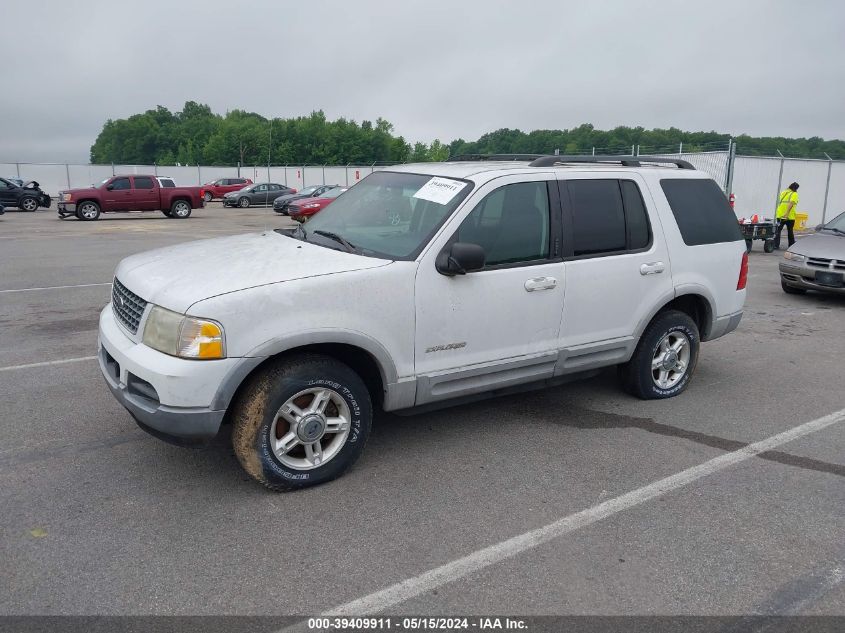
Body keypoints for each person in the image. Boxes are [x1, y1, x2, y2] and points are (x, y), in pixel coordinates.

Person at [774, 182, 799, 249]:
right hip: (789, 216)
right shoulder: (794, 194)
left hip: (780, 215)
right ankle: (791, 245)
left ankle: (775, 245)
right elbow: (791, 203)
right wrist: (787, 213)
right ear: (796, 188)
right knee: (790, 231)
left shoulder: (783, 192)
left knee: (778, 230)